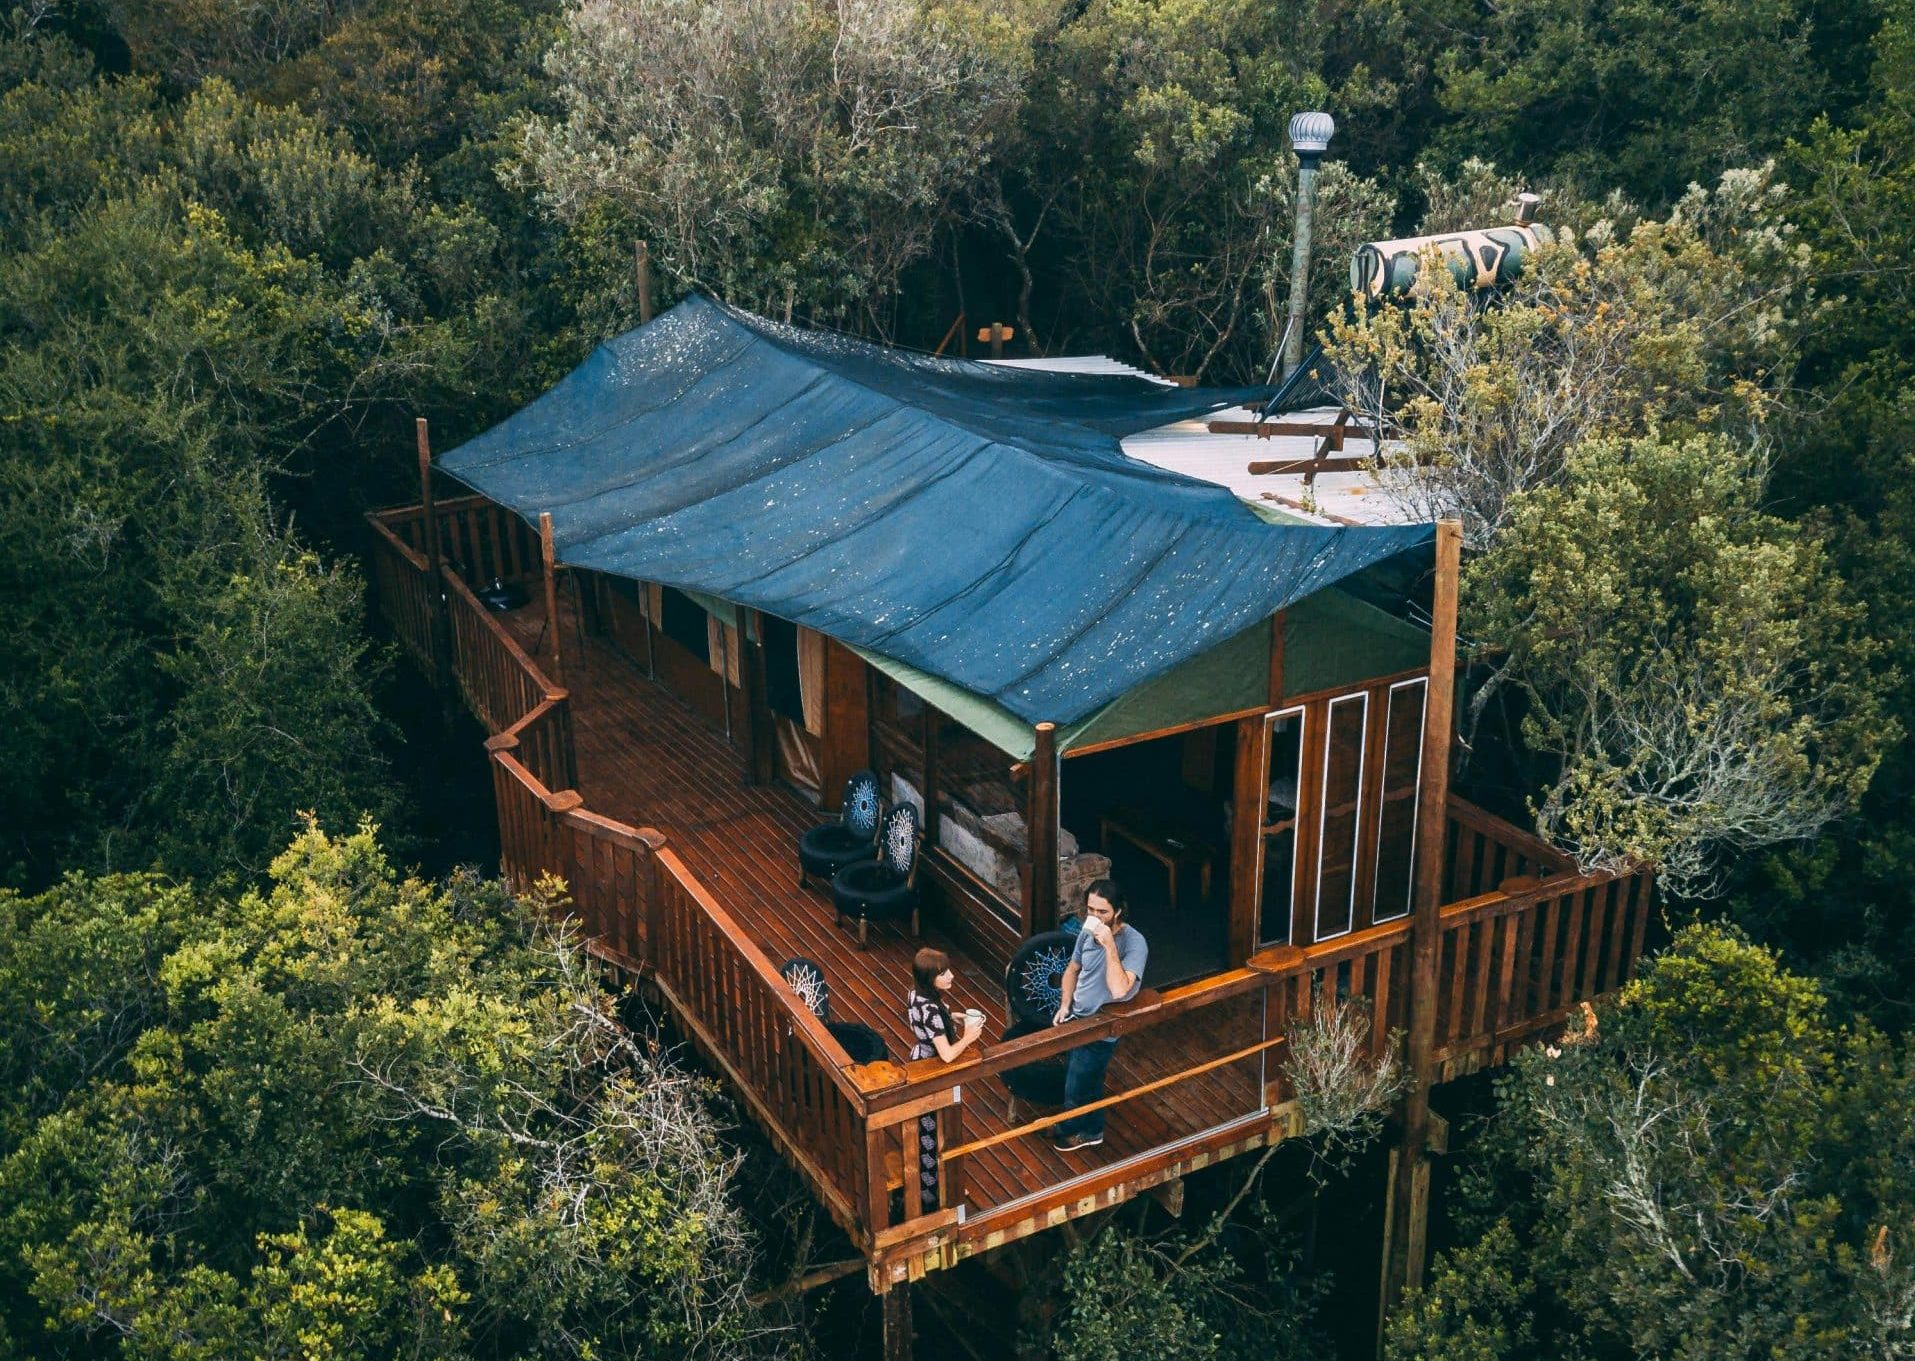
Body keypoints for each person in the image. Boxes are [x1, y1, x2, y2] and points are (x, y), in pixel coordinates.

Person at [1050, 878, 1147, 1152]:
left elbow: (1119, 988)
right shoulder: (1086, 932)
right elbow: (1072, 969)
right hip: (1078, 1018)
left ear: (1118, 911)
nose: (1094, 917)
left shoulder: (1134, 943)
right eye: (1090, 910)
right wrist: (1065, 1004)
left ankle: (1072, 1130)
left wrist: (1109, 945)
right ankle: (1092, 1129)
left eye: (1101, 912)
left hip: (1103, 1024)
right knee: (1085, 1078)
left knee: (1076, 1085)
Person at [905, 947, 983, 1212]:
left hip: (918, 1060)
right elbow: (948, 1055)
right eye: (943, 973)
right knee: (933, 1133)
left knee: (932, 1131)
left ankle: (941, 1186)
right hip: (932, 1073)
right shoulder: (932, 1011)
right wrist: (968, 1038)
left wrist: (956, 1017)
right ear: (930, 979)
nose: (951, 976)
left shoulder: (916, 994)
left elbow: (934, 1017)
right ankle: (933, 1197)